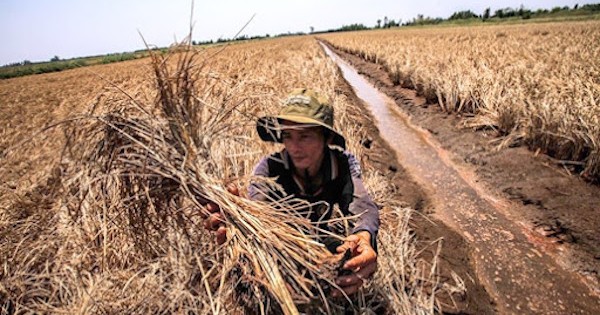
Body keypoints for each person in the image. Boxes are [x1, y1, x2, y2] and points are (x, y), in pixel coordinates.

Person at [204, 88, 379, 298]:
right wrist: (241, 218)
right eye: (287, 135)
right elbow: (259, 207)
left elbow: (361, 203)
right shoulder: (269, 169)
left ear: (326, 137)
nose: (294, 147)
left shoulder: (342, 163)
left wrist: (363, 235)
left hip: (321, 234)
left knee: (350, 254)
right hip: (284, 238)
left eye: (305, 136)